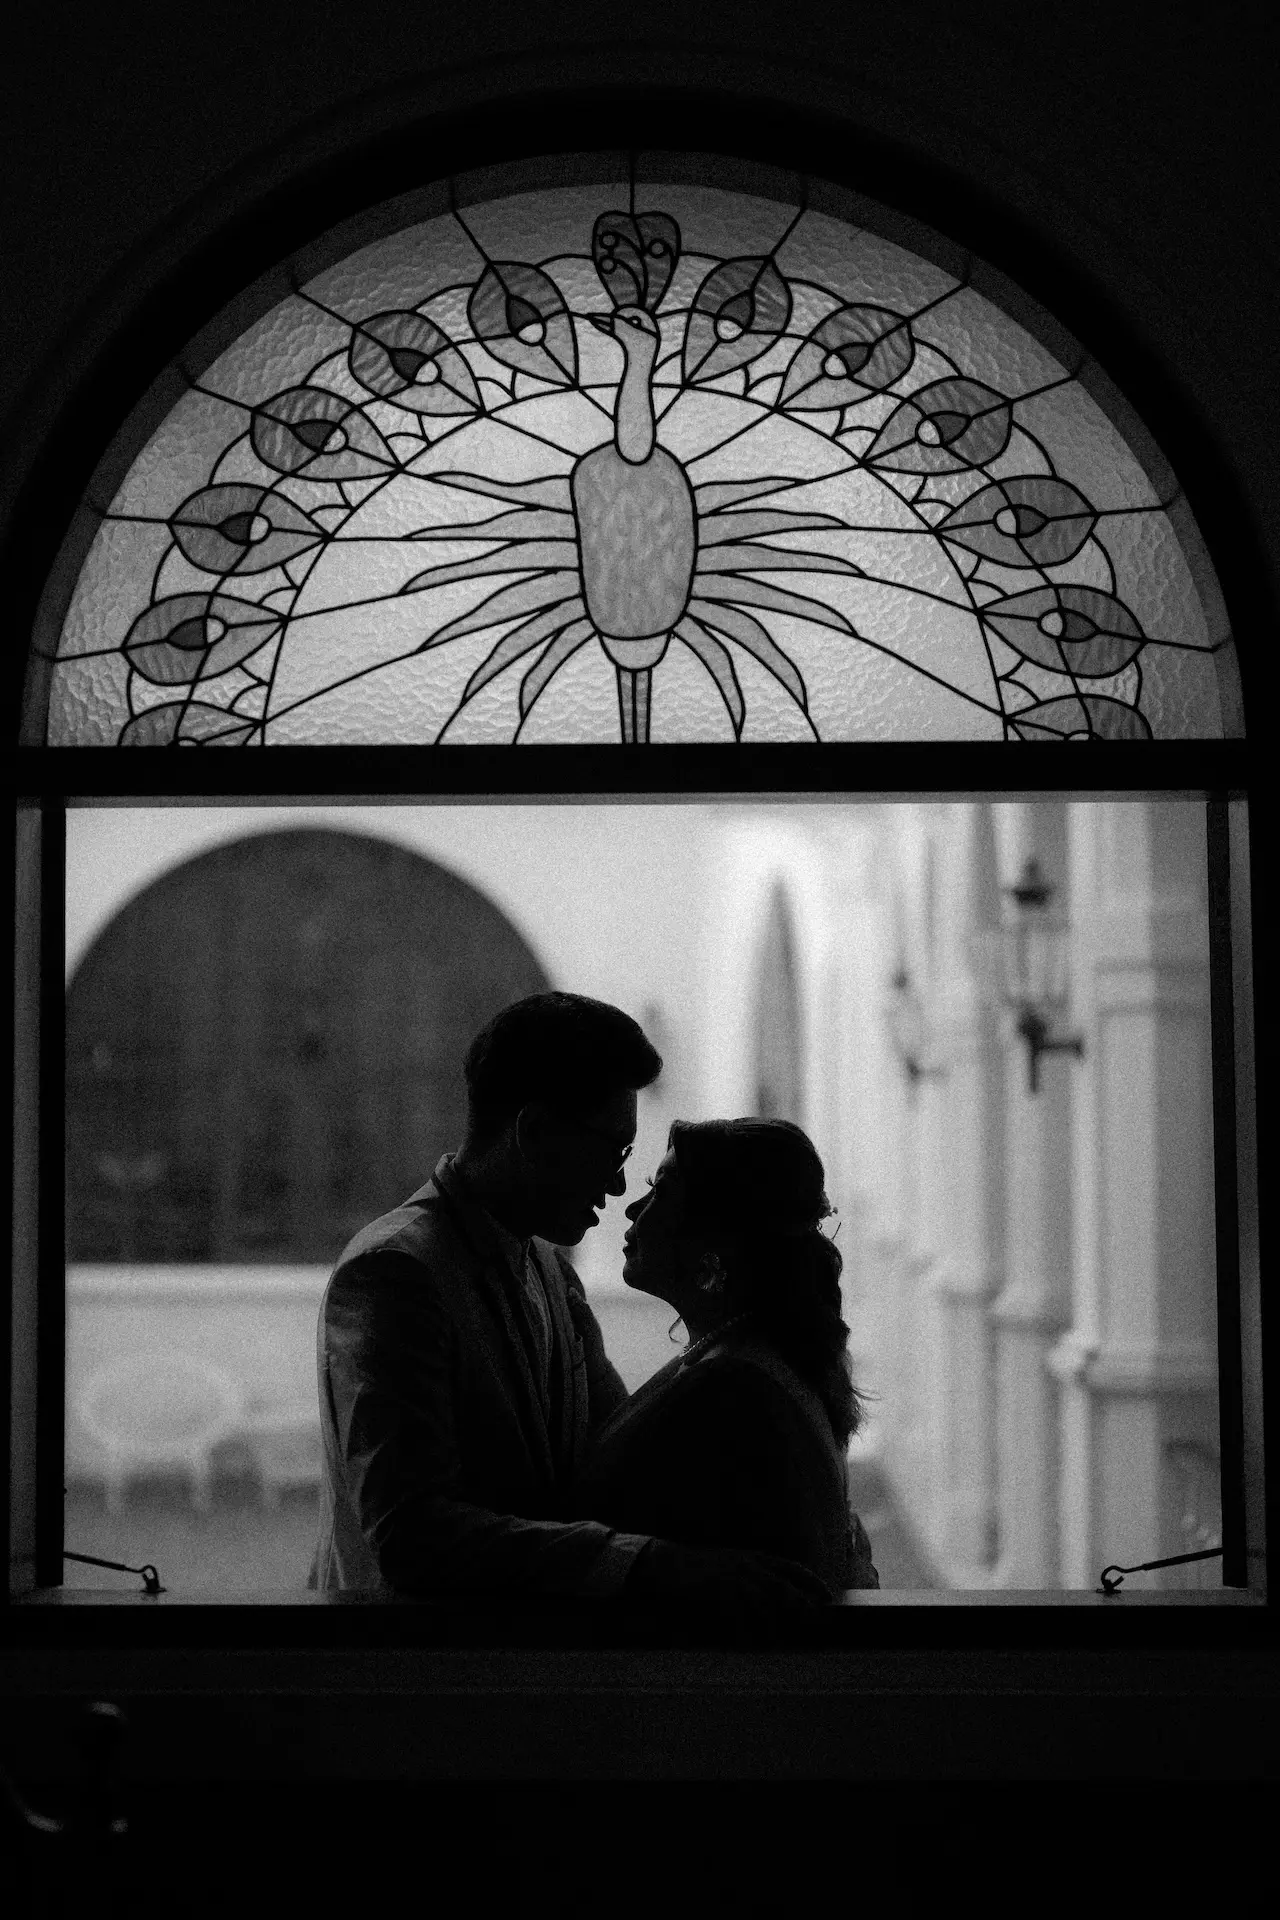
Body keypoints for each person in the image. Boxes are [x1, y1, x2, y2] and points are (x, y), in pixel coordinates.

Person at [309, 993, 833, 1619]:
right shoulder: (394, 1272)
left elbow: (622, 1457)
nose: (619, 1185)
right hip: (412, 1667)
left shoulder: (552, 1272)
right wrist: (655, 1565)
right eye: (612, 1153)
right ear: (533, 1133)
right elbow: (410, 1533)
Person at [571, 1118, 880, 1591]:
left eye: (660, 1193)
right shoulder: (737, 1353)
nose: (633, 1208)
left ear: (715, 1241)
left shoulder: (733, 1384)